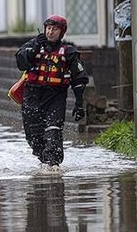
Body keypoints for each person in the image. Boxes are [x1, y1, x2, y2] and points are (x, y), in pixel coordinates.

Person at [15, 14, 88, 168]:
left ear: (61, 32)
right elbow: (21, 62)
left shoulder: (68, 52)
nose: (50, 32)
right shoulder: (33, 45)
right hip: (32, 96)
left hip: (56, 96)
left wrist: (79, 104)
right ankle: (45, 160)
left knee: (53, 131)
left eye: (55, 29)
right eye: (48, 28)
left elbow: (79, 79)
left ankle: (53, 165)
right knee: (33, 136)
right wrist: (34, 49)